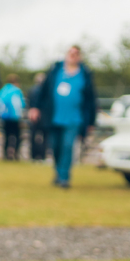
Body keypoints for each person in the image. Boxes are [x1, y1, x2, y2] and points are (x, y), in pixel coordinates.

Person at [29, 45, 97, 188]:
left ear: (80, 56)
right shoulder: (55, 70)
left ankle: (64, 177)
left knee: (67, 146)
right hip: (54, 117)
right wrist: (35, 107)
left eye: (76, 53)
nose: (73, 55)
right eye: (71, 52)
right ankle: (58, 172)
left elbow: (91, 99)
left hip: (74, 118)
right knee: (55, 147)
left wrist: (91, 121)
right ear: (66, 54)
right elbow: (43, 90)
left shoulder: (84, 74)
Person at [0, 73, 26, 160]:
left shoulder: (2, 91)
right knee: (17, 136)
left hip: (4, 117)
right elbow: (21, 104)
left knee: (6, 136)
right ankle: (15, 153)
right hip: (15, 117)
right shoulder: (17, 91)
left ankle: (5, 153)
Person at [27, 71, 48, 162]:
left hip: (33, 116)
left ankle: (33, 155)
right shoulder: (47, 91)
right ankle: (42, 156)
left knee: (33, 136)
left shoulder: (31, 90)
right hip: (44, 116)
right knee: (45, 137)